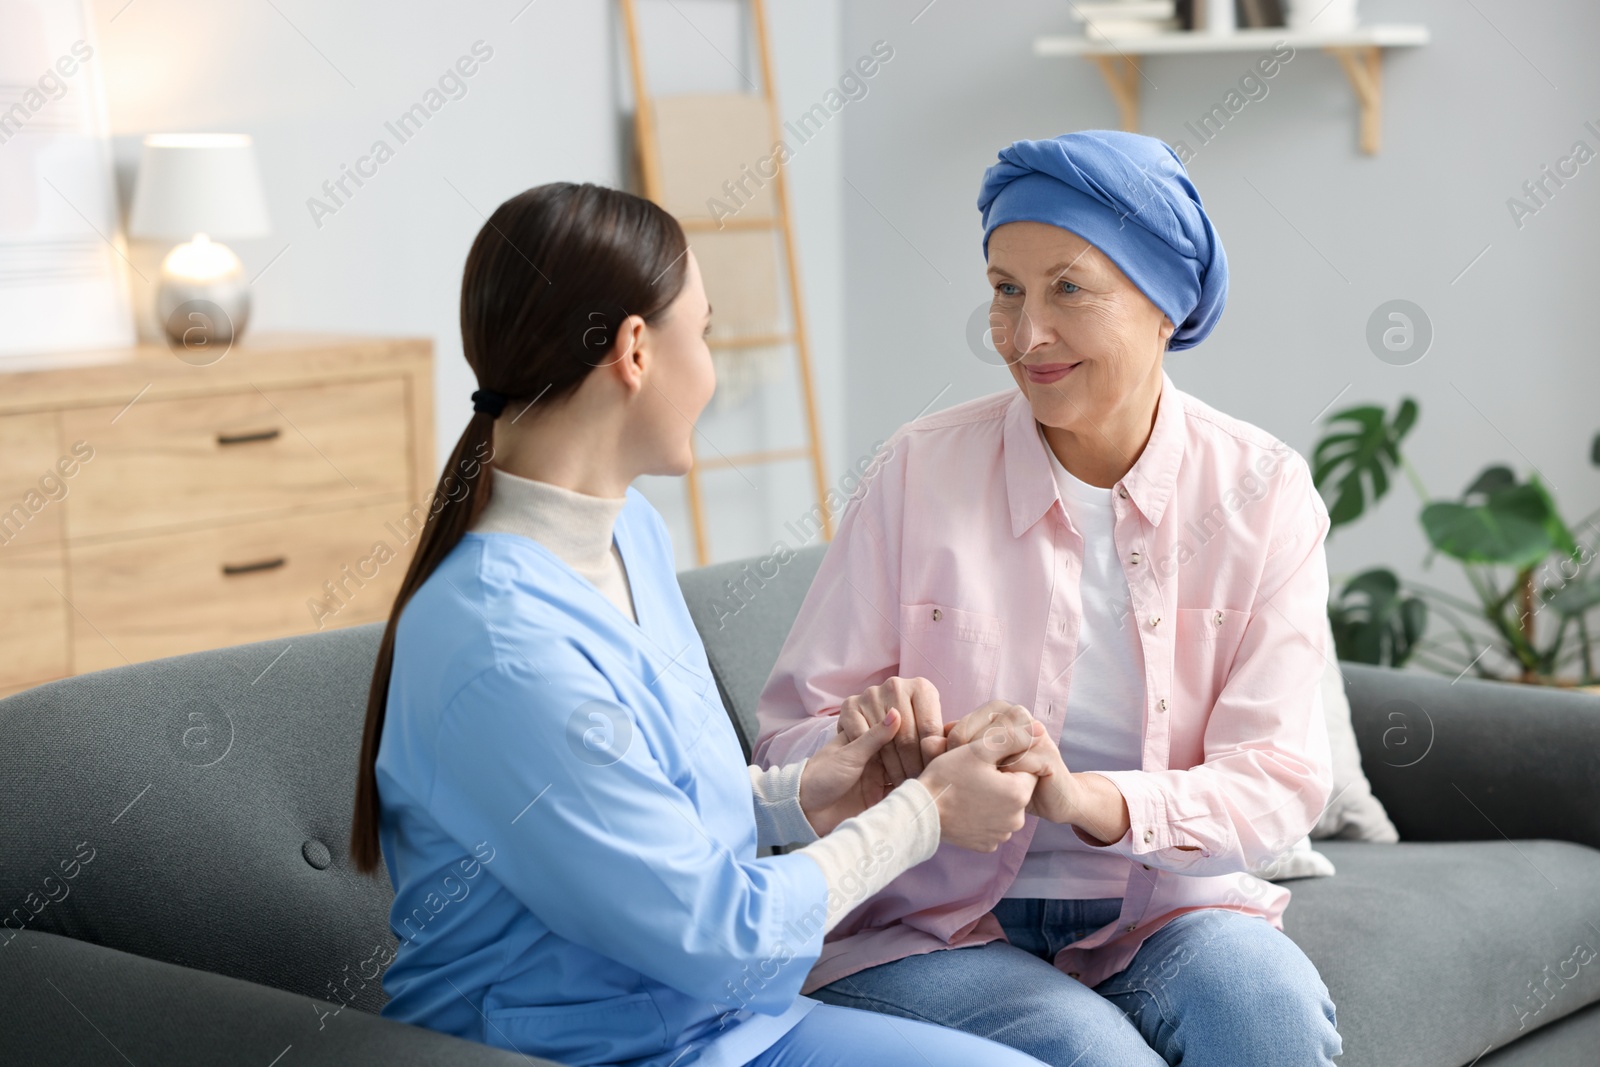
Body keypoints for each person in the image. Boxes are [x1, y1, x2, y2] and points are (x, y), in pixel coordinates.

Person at [346, 181, 1052, 1067]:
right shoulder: (502, 644)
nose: (711, 369)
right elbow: (722, 936)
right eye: (705, 331)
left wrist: (809, 793)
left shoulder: (630, 533)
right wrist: (927, 812)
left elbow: (651, 814)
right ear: (636, 350)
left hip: (715, 1026)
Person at [753, 131, 1345, 1066]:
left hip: (1165, 909)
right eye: (1005, 289)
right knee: (1090, 1051)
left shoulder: (1262, 493)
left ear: (1166, 302)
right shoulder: (920, 469)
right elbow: (789, 736)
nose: (1026, 335)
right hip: (929, 919)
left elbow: (1276, 781)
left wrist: (1086, 797)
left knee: (1264, 1011)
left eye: (1068, 288)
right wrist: (856, 739)